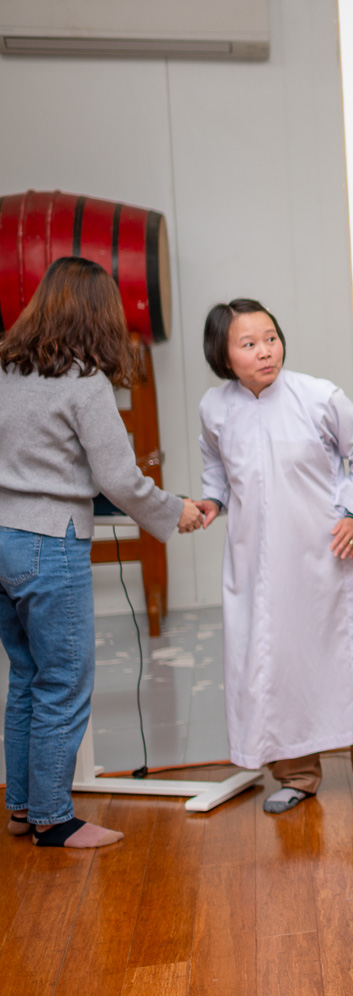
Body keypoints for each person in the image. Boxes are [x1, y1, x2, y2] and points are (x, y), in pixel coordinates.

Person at [0, 257, 204, 848]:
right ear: (99, 315)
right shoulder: (83, 382)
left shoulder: (7, 368)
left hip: (3, 537)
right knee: (64, 682)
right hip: (49, 544)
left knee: (26, 677)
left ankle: (23, 808)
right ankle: (53, 820)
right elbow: (118, 478)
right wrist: (174, 511)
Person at [195, 299, 353, 814]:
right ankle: (296, 774)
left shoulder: (318, 396)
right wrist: (211, 500)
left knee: (350, 657)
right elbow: (216, 468)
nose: (265, 351)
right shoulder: (215, 408)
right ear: (223, 355)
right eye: (249, 344)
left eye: (271, 338)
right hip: (257, 564)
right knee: (274, 662)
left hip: (329, 552)